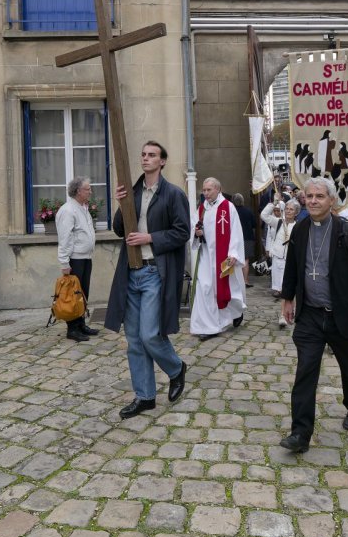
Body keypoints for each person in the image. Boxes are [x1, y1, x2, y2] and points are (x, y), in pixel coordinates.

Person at [278, 177, 348, 453]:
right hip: (309, 313)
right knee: (305, 370)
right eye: (309, 196)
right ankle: (300, 433)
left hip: (340, 313)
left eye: (319, 196)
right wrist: (288, 297)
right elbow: (293, 266)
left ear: (332, 200)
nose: (313, 201)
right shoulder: (300, 229)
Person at [105, 141, 189, 419]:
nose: (146, 158)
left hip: (156, 272)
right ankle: (145, 396)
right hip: (131, 271)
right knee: (134, 339)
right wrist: (121, 204)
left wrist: (150, 238)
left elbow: (182, 232)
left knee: (150, 334)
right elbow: (120, 229)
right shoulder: (132, 192)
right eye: (143, 154)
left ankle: (176, 369)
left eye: (152, 155)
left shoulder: (173, 194)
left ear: (162, 161)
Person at [190, 178, 246, 338]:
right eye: (204, 190)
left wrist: (234, 254)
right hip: (206, 255)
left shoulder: (228, 207)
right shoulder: (201, 209)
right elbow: (194, 226)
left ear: (218, 189)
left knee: (228, 290)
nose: (205, 193)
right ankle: (207, 327)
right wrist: (196, 233)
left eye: (209, 190)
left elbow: (236, 231)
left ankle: (236, 311)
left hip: (224, 256)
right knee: (205, 288)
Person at [56, 176, 98, 342]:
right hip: (75, 259)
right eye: (87, 189)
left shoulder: (83, 208)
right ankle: (72, 329)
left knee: (83, 293)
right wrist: (64, 262)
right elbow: (64, 239)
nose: (90, 192)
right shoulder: (68, 210)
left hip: (85, 257)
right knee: (73, 294)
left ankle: (81, 324)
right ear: (78, 191)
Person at [262, 199, 299, 324]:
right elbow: (264, 216)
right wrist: (273, 203)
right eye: (287, 208)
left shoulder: (298, 226)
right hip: (278, 259)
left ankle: (286, 314)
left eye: (291, 209)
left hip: (291, 261)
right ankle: (286, 313)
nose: (288, 211)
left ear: (296, 212)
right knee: (281, 289)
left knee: (288, 288)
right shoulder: (278, 222)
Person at [232, 193, 257, 287]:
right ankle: (245, 281)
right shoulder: (248, 211)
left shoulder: (232, 211)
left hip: (235, 237)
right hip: (247, 238)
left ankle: (237, 282)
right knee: (245, 259)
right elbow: (254, 224)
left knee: (234, 258)